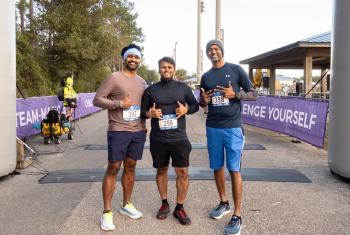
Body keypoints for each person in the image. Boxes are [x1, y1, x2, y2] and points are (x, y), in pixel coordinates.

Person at [200, 39, 257, 235]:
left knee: (234, 170)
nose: (213, 51)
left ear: (222, 51)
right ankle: (224, 203)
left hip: (232, 128)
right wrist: (203, 101)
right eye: (210, 49)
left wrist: (236, 95)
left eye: (216, 48)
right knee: (217, 167)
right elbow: (202, 101)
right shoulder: (206, 76)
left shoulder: (235, 70)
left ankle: (237, 215)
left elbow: (254, 93)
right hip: (213, 127)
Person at [93, 43, 147, 231]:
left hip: (138, 130)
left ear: (140, 59)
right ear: (124, 58)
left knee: (131, 166)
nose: (133, 59)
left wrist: (144, 125)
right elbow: (97, 99)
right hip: (118, 129)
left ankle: (126, 204)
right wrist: (118, 103)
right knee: (114, 167)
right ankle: (107, 212)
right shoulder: (114, 77)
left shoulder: (142, 81)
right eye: (130, 56)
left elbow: (142, 106)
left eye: (136, 57)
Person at [141, 57, 199, 225]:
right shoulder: (151, 90)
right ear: (159, 70)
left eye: (169, 67)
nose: (166, 70)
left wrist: (186, 109)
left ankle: (179, 208)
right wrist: (150, 114)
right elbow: (142, 111)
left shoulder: (183, 88)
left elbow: (195, 106)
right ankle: (164, 204)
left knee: (183, 173)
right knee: (161, 171)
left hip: (179, 138)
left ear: (174, 69)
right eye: (163, 67)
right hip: (158, 139)